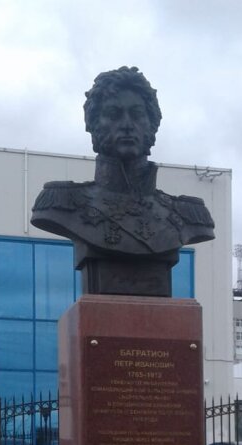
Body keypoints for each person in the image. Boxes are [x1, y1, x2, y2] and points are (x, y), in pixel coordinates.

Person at [31, 67, 214, 295]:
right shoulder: (61, 204)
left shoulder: (189, 215)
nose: (127, 124)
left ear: (152, 124)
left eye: (137, 114)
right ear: (93, 124)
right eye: (114, 114)